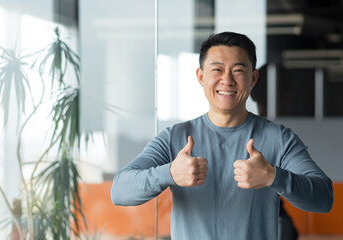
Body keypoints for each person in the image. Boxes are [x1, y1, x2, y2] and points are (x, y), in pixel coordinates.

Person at [111, 32, 333, 240]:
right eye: (217, 70)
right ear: (200, 77)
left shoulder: (279, 139)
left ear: (253, 78)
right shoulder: (174, 138)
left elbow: (324, 198)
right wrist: (168, 173)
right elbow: (119, 191)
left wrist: (273, 176)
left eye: (238, 70)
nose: (227, 80)